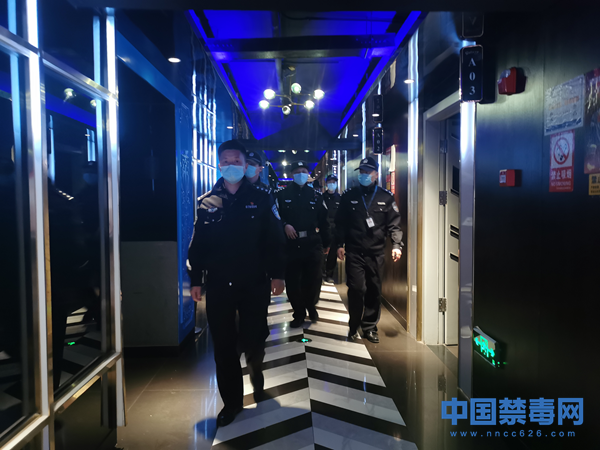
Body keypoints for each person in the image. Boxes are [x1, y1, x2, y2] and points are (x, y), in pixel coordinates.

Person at [187, 140, 286, 428]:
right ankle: (231, 402)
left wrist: (278, 274)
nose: (231, 166)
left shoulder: (262, 198)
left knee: (254, 337)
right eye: (226, 161)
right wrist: (196, 280)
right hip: (219, 283)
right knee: (223, 346)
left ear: (245, 165)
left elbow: (274, 240)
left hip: (254, 281)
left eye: (236, 161)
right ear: (219, 164)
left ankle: (256, 366)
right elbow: (198, 245)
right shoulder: (207, 201)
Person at [335, 156, 403, 343]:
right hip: (355, 251)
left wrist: (396, 245)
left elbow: (394, 224)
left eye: (367, 172)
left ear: (376, 174)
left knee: (374, 290)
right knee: (356, 289)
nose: (364, 175)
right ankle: (354, 324)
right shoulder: (349, 196)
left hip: (376, 253)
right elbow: (340, 223)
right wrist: (339, 244)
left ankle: (370, 326)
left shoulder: (386, 197)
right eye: (362, 172)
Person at [277, 161, 330, 328]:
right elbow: (275, 217)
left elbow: (324, 221)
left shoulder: (316, 196)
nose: (301, 174)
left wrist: (327, 242)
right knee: (293, 282)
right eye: (297, 171)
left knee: (314, 280)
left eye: (304, 171)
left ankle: (311, 305)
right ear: (292, 174)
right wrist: (285, 224)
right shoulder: (282, 195)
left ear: (308, 174)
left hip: (312, 243)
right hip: (291, 245)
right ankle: (298, 313)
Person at [323, 174, 340, 284]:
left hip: (335, 231)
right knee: (322, 253)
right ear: (326, 184)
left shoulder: (340, 198)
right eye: (330, 182)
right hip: (323, 230)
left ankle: (329, 274)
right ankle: (321, 273)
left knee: (332, 254)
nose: (332, 184)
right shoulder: (321, 197)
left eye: (334, 182)